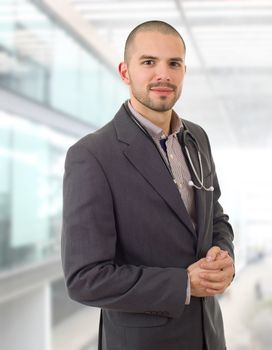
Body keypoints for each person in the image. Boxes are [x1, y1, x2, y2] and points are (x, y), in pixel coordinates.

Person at [61, 20, 235, 350]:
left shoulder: (197, 138)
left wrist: (223, 256)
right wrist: (183, 283)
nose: (163, 75)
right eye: (148, 62)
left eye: (174, 63)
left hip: (209, 337)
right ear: (125, 72)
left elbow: (215, 219)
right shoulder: (92, 155)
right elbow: (85, 279)